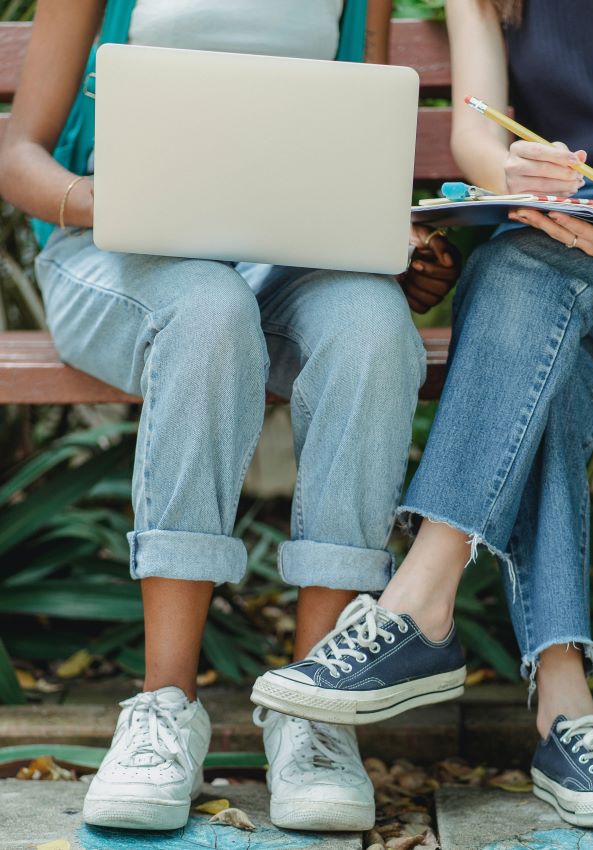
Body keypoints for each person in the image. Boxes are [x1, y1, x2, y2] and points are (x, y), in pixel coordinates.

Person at [251, 0, 593, 829]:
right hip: (561, 221)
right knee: (537, 321)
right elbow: (476, 135)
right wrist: (514, 169)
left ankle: (419, 600)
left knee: (520, 279)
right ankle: (568, 716)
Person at [0, 0, 460, 834]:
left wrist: (397, 250)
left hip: (286, 256)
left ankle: (317, 714)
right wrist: (104, 201)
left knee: (374, 332)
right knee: (207, 314)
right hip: (116, 253)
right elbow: (17, 155)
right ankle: (163, 709)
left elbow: (360, 166)